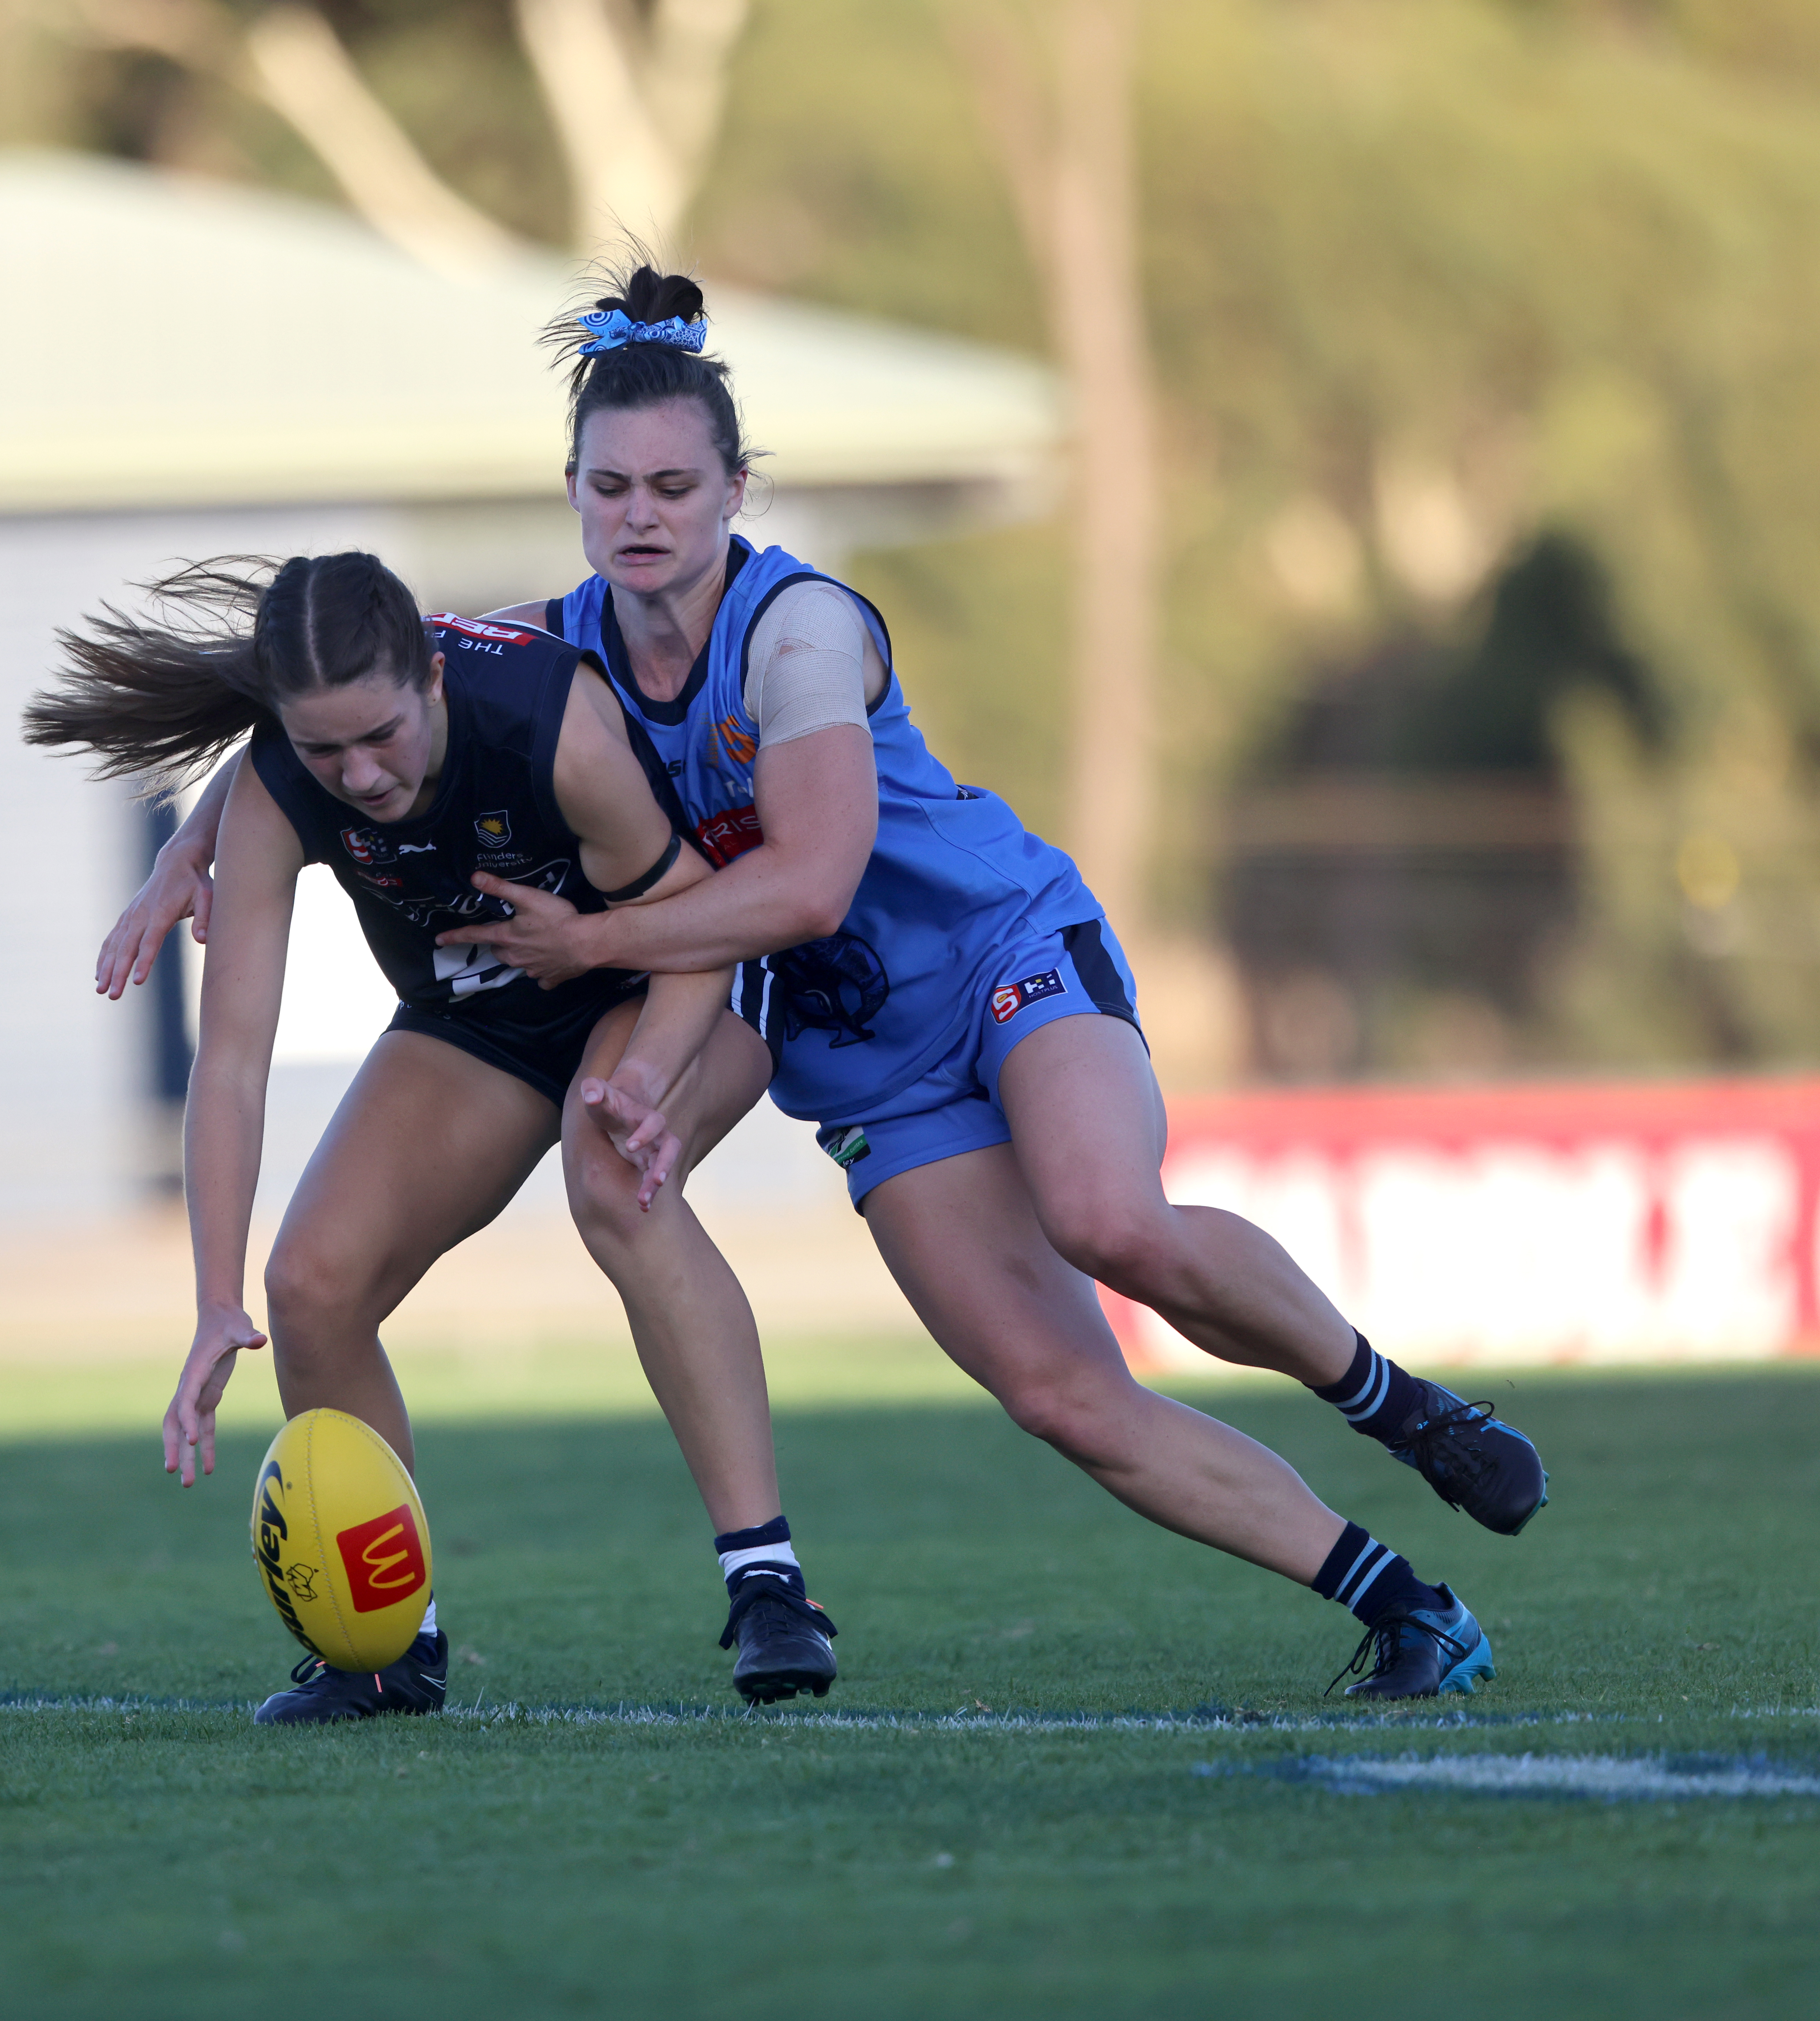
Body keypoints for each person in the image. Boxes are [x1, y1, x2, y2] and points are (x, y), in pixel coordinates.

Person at [102, 268, 1548, 1700]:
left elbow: (810, 888)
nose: (641, 515)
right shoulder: (558, 644)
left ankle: (1399, 1404)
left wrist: (595, 944)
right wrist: (208, 842)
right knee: (1056, 1396)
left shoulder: (797, 632)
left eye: (674, 484)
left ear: (738, 488)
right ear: (574, 492)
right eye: (611, 489)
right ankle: (1413, 1612)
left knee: (1107, 1214)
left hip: (994, 956)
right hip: (854, 1047)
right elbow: (374, 705)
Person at [27, 551, 837, 1720]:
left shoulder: (545, 724)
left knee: (612, 1177)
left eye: (382, 737)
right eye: (322, 751)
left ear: (434, 679)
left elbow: (696, 929)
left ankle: (770, 1588)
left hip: (666, 970)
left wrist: (648, 1080)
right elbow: (236, 1059)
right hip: (483, 1017)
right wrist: (214, 1302)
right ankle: (391, 1645)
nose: (358, 774)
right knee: (309, 1282)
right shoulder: (278, 779)